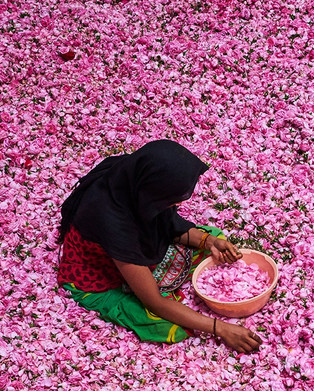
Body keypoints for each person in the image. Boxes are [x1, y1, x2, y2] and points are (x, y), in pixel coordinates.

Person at [56, 140, 263, 353]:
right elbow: (154, 301)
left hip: (130, 243)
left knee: (215, 238)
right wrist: (221, 329)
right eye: (171, 199)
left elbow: (165, 221)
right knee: (169, 326)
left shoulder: (133, 176)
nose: (177, 205)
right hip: (101, 276)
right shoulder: (113, 223)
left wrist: (209, 242)